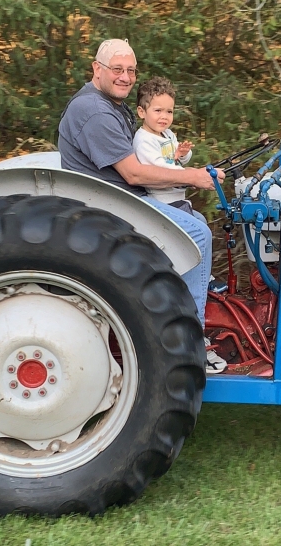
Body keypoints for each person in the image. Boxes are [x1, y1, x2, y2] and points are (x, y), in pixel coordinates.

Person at [57, 39, 225, 373]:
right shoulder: (94, 111)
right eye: (117, 69)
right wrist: (192, 176)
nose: (125, 77)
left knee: (191, 220)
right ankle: (192, 338)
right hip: (112, 206)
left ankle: (185, 299)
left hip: (119, 198)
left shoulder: (106, 104)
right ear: (97, 69)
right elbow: (133, 174)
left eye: (131, 70)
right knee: (197, 234)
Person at [133, 76, 196, 215]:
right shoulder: (144, 140)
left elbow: (178, 160)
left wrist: (183, 154)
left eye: (169, 111)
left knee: (200, 223)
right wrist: (190, 176)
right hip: (162, 202)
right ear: (142, 112)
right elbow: (159, 168)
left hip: (178, 197)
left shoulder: (167, 134)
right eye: (158, 111)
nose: (164, 116)